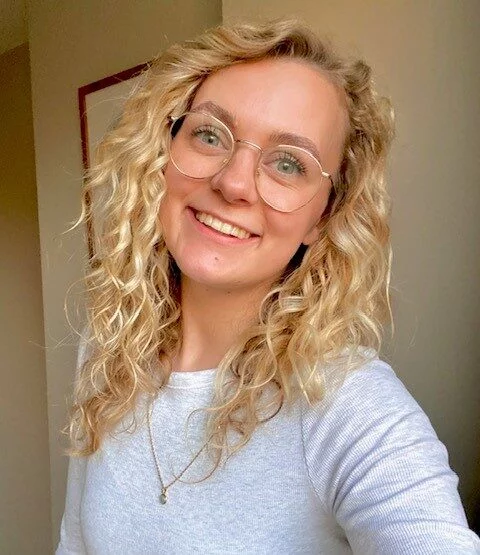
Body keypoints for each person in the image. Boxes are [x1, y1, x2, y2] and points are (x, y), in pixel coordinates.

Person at [57, 19, 480, 554]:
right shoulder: (107, 343)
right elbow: (74, 542)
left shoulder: (345, 403)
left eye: (288, 164)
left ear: (324, 217)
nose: (233, 183)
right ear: (164, 154)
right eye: (209, 134)